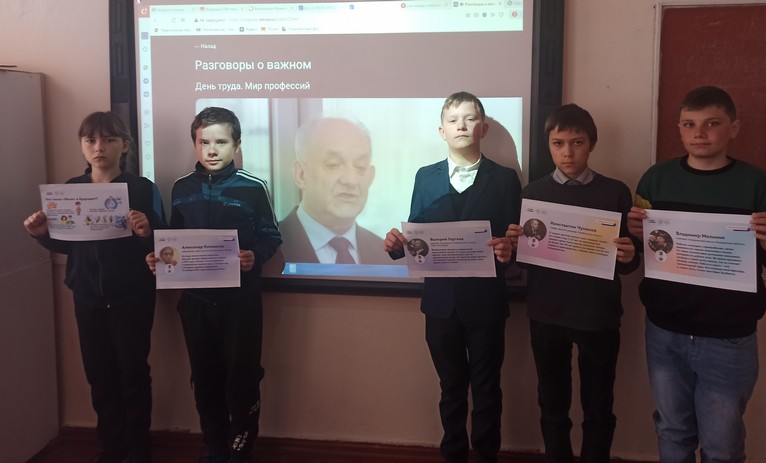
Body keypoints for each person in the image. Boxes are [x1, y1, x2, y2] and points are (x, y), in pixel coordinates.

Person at [627, 86, 766, 462]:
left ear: (733, 128)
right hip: (665, 331)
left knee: (722, 444)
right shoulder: (655, 180)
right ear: (679, 129)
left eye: (712, 123)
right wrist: (635, 234)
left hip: (728, 338)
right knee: (672, 431)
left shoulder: (760, 185)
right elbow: (646, 249)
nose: (699, 133)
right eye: (689, 124)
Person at [384, 92, 520, 463]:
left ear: (483, 128)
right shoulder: (425, 177)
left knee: (488, 390)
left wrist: (509, 250)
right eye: (454, 119)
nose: (462, 125)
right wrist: (396, 246)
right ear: (441, 131)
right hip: (440, 304)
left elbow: (516, 242)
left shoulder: (505, 179)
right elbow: (417, 238)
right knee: (451, 389)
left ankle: (487, 456)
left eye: (470, 118)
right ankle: (453, 455)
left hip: (487, 303)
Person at [23, 111, 166, 463]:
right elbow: (66, 245)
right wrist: (42, 235)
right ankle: (111, 447)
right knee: (99, 375)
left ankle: (138, 449)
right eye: (91, 140)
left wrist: (146, 232)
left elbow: (164, 246)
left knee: (133, 373)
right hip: (87, 297)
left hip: (132, 297)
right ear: (82, 146)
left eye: (109, 139)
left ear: (125, 145)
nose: (99, 147)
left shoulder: (142, 188)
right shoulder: (71, 189)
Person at [147, 107, 282, 463]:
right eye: (204, 142)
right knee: (204, 378)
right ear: (195, 144)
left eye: (221, 142)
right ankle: (215, 447)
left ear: (237, 145)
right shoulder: (181, 188)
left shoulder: (254, 188)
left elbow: (271, 236)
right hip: (195, 302)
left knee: (242, 378)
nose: (211, 149)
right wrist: (159, 258)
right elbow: (173, 240)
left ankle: (241, 450)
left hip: (241, 302)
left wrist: (255, 256)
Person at [506, 104, 639, 463]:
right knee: (552, 405)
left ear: (592, 144)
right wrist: (515, 247)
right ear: (549, 146)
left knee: (599, 407)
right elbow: (526, 261)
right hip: (547, 313)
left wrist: (629, 255)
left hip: (598, 314)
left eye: (577, 142)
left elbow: (628, 263)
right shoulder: (533, 193)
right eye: (558, 143)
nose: (568, 152)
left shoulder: (616, 192)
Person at [279, 117, 394, 265]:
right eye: (333, 165)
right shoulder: (265, 251)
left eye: (360, 167)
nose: (350, 180)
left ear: (370, 177)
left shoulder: (389, 257)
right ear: (301, 174)